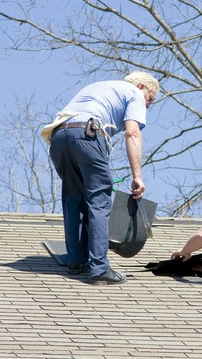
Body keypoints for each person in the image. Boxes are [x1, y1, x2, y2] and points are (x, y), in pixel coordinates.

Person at [42, 71, 159, 285]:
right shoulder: (134, 92)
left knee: (73, 199)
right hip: (87, 135)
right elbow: (132, 133)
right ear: (142, 86)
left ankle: (76, 261)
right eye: (150, 99)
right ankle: (99, 269)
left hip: (59, 138)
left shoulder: (101, 87)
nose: (148, 106)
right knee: (99, 201)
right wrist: (137, 176)